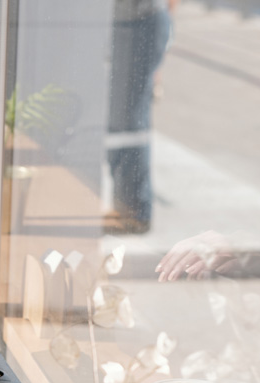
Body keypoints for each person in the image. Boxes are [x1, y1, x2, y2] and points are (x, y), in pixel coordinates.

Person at [106, 0, 173, 234]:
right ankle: (128, 207)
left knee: (128, 124)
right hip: (127, 23)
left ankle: (134, 211)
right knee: (122, 122)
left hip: (138, 22)